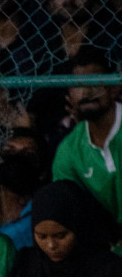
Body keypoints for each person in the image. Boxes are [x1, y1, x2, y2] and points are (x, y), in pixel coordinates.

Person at [51, 48, 122, 220]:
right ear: (69, 96)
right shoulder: (69, 149)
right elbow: (67, 207)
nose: (86, 92)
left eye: (94, 82)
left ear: (114, 88)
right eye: (78, 85)